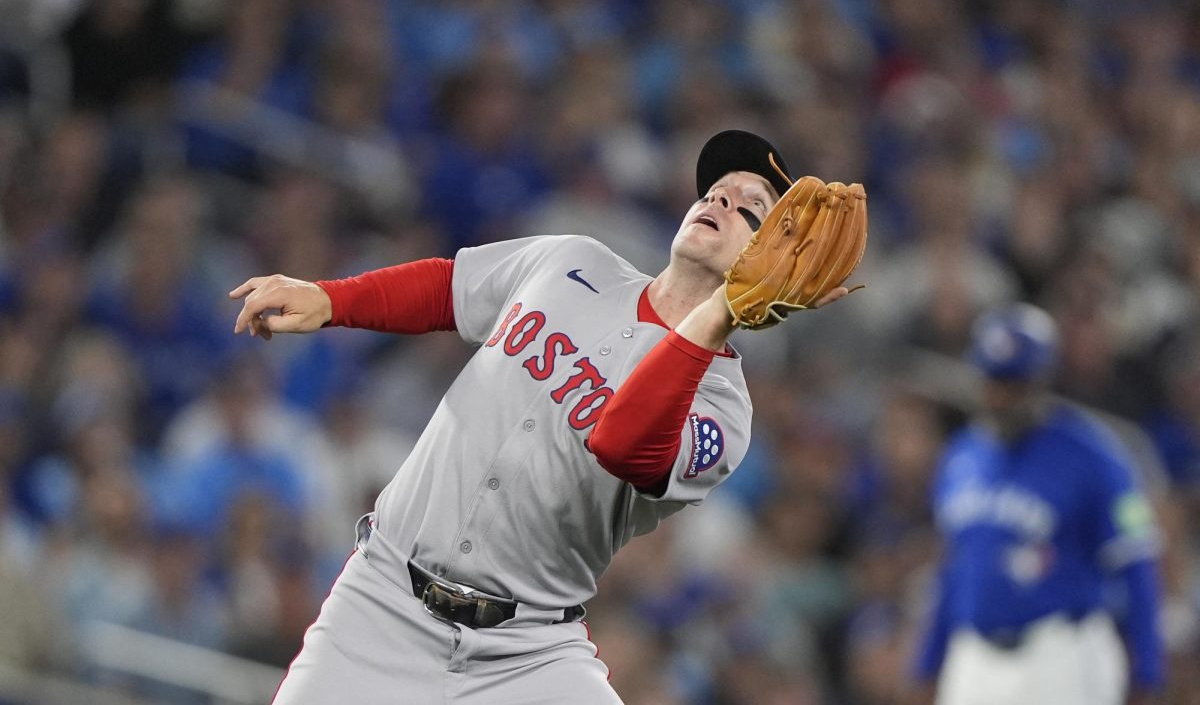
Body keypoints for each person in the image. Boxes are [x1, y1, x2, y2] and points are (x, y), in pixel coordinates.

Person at [229, 130, 851, 704]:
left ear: (778, 264)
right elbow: (450, 289)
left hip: (527, 655)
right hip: (381, 600)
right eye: (715, 191)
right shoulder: (574, 261)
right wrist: (333, 299)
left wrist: (719, 314)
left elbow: (625, 445)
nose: (719, 200)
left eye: (751, 208)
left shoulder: (724, 406)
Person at [912, 303, 1165, 705]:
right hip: (974, 656)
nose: (1000, 396)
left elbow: (1136, 565)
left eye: (1013, 383)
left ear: (1041, 380)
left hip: (1062, 654)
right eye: (993, 381)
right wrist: (926, 664)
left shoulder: (1097, 457)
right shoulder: (962, 456)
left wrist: (1149, 672)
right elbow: (953, 569)